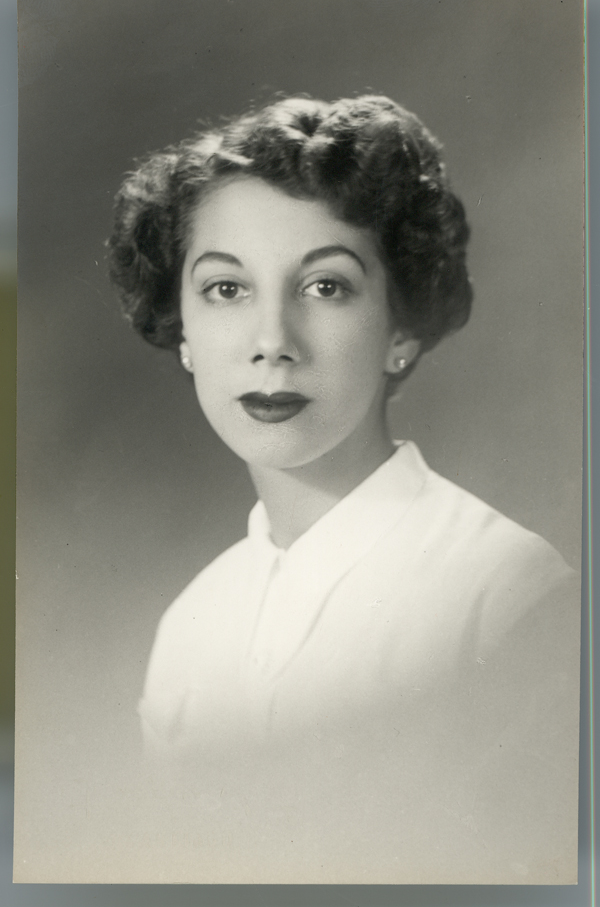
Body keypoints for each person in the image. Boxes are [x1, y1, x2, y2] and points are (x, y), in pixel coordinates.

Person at [108, 95, 580, 883]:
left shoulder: (507, 595)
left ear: (402, 329)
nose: (272, 343)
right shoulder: (188, 629)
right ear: (182, 332)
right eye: (226, 289)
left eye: (325, 286)